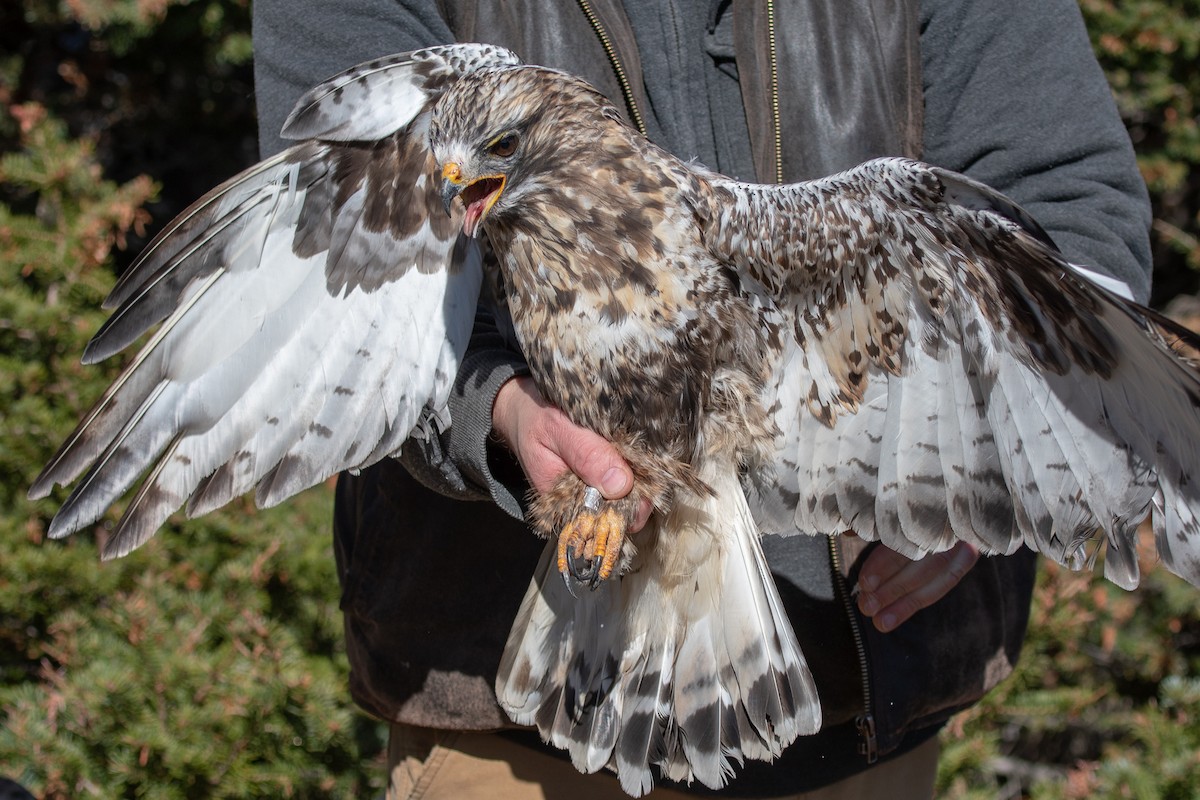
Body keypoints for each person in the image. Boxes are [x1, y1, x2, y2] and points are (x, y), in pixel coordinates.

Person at [251, 1, 1152, 798]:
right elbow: (336, 276)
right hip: (515, 745)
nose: (455, 200)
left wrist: (985, 449)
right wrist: (498, 411)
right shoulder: (468, 149)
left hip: (866, 716)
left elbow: (1063, 215)